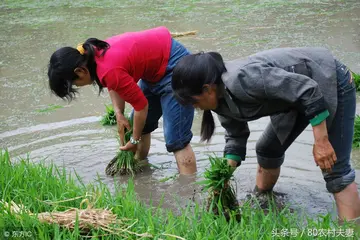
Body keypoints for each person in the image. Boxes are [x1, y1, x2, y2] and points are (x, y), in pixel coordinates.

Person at [171, 47, 360, 221]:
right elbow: (236, 136)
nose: (195, 108)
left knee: (334, 168)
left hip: (328, 79)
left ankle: (351, 230)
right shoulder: (219, 101)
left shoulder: (242, 79)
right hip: (293, 99)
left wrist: (322, 141)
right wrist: (223, 179)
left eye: (193, 102)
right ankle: (263, 201)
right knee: (267, 150)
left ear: (207, 88)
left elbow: (308, 90)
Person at [47, 26, 197, 175]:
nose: (78, 86)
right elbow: (113, 83)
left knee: (176, 138)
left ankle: (189, 191)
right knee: (138, 125)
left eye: (75, 84)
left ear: (79, 71)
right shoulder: (91, 55)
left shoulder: (107, 68)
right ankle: (140, 168)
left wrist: (135, 139)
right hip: (154, 69)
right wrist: (119, 112)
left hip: (175, 66)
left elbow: (141, 106)